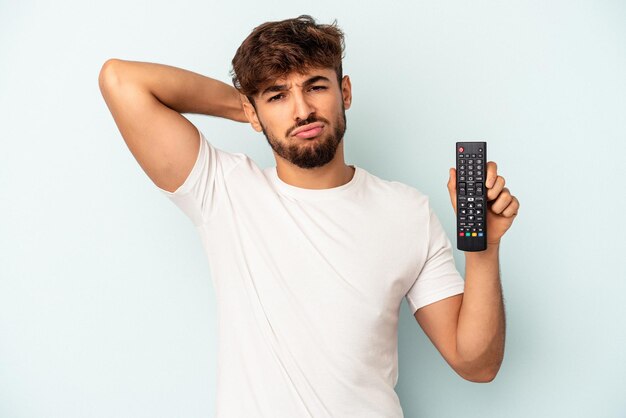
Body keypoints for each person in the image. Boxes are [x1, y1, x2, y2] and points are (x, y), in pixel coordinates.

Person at [98, 14, 520, 418]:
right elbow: (121, 80)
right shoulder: (224, 191)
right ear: (252, 111)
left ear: (346, 93)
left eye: (316, 87)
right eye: (278, 95)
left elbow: (475, 364)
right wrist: (253, 112)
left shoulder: (407, 210)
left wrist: (485, 249)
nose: (301, 110)